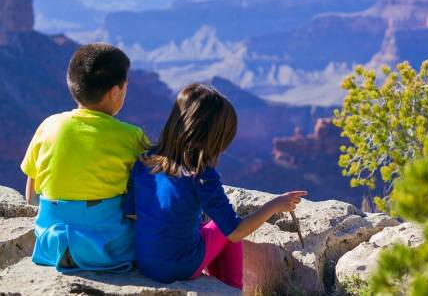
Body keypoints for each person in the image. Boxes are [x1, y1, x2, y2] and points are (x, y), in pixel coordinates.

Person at [124, 83, 307, 289]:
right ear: (213, 136)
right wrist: (274, 205)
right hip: (179, 267)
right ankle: (231, 289)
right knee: (224, 227)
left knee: (207, 227)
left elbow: (132, 214)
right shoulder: (201, 175)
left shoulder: (145, 160)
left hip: (145, 263)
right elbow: (235, 231)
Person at [20, 43, 148, 272]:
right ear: (115, 91)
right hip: (108, 249)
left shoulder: (49, 125)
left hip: (50, 245)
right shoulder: (132, 137)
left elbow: (31, 188)